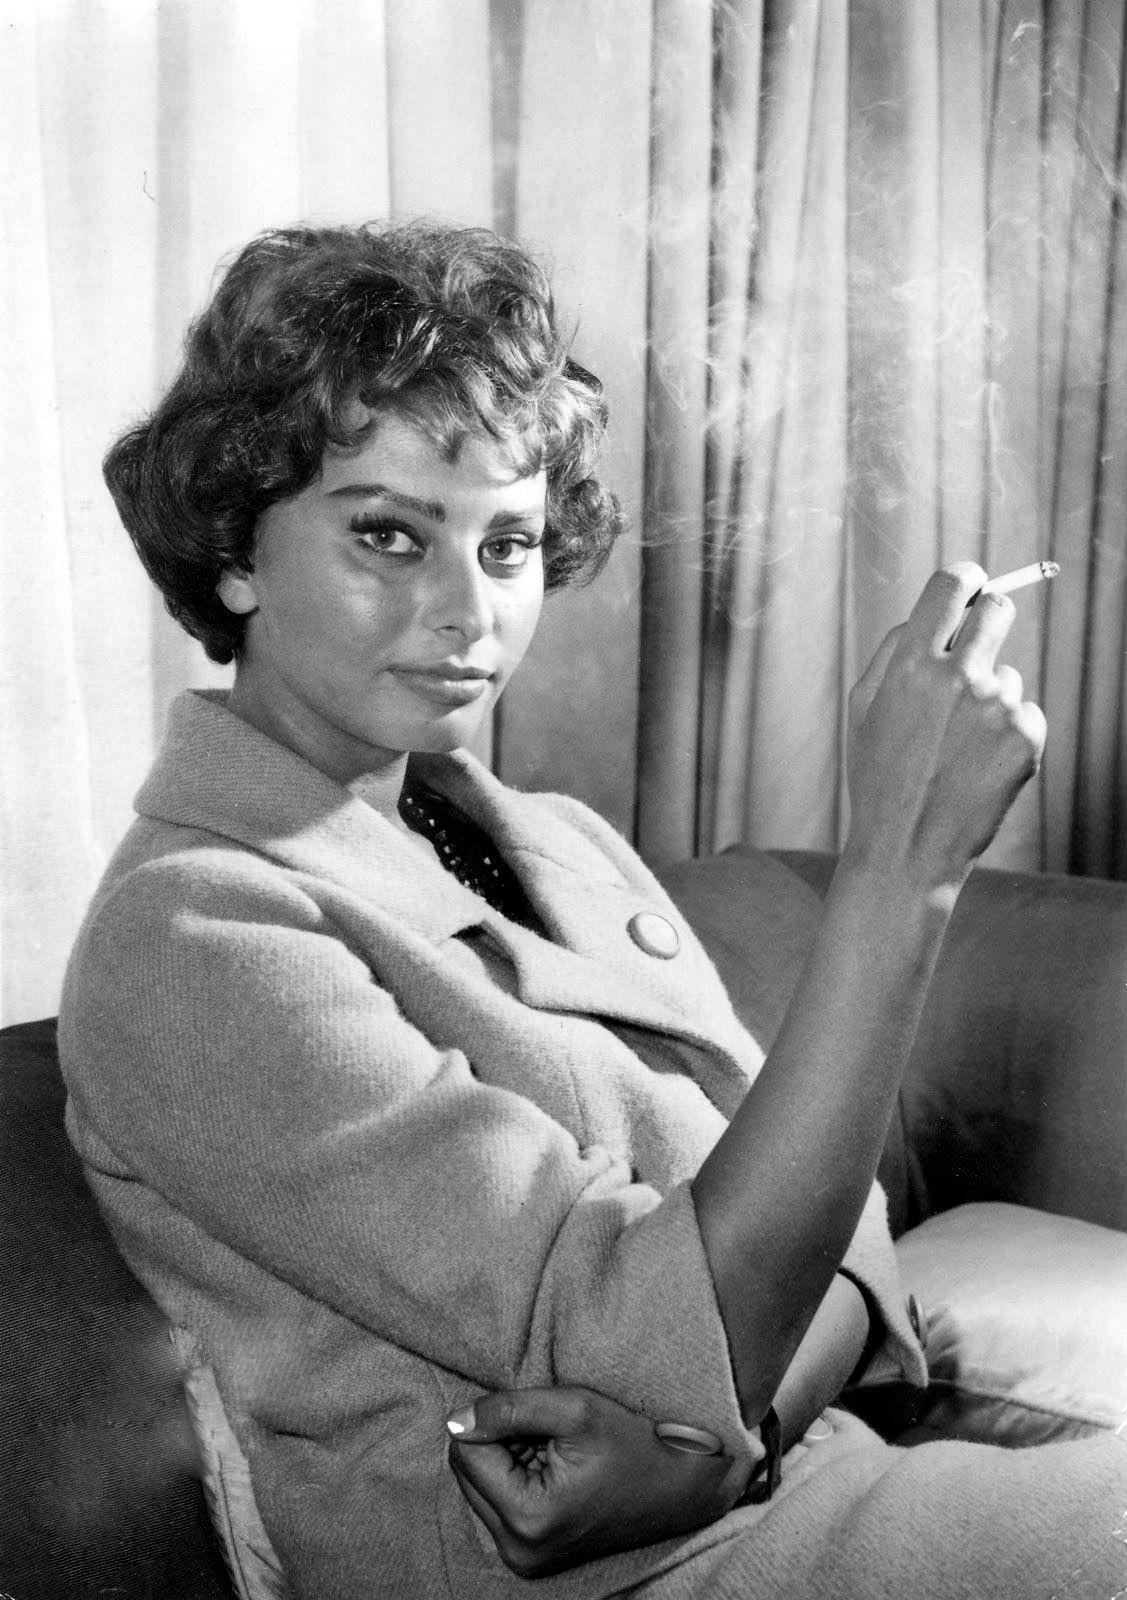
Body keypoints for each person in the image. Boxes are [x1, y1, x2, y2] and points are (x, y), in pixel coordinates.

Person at [59, 220, 1125, 1600]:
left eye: (507, 545)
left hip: (785, 1497)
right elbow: (667, 1338)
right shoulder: (196, 934)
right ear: (233, 553)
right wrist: (901, 868)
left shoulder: (559, 844)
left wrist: (729, 1449)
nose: (469, 612)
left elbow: (838, 1227)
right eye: (388, 535)